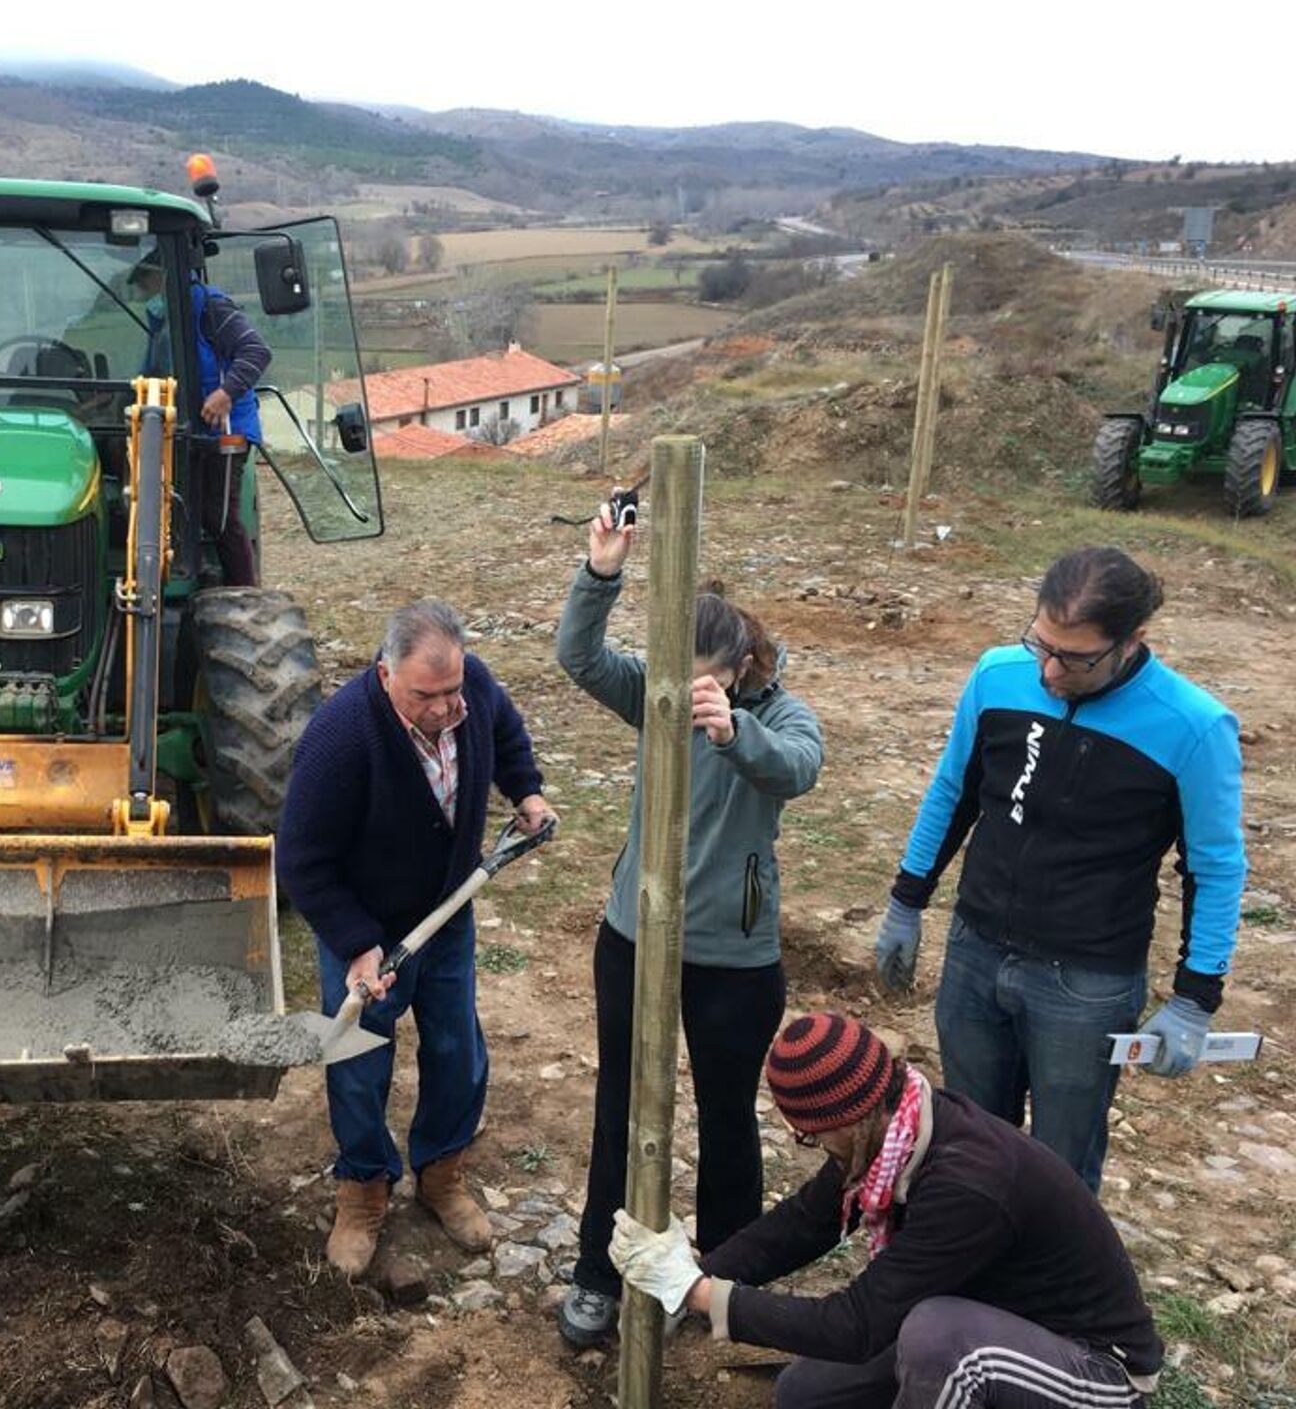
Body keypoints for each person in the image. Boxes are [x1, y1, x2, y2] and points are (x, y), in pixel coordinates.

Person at [873, 545, 1246, 1191]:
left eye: (1074, 658)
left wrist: (1195, 997)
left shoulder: (1193, 726)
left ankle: (1049, 1291)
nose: (1047, 670)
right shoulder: (997, 677)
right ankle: (964, 1280)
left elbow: (1214, 869)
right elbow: (951, 794)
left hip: (1085, 982)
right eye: (1040, 643)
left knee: (1058, 1172)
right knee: (967, 1149)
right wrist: (908, 901)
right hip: (975, 952)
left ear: (1132, 641)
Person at [555, 504, 825, 1348]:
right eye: (677, 676)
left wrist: (735, 731)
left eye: (704, 681)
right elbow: (579, 657)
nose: (684, 694)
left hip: (733, 962)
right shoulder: (655, 688)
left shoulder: (777, 716)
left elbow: (799, 769)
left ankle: (725, 1285)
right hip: (634, 938)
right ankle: (602, 1272)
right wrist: (600, 574)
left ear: (741, 668)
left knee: (725, 1118)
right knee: (621, 1109)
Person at [610, 1012, 1163, 1409]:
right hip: (998, 1320)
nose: (814, 1145)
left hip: (1095, 1371)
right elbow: (808, 1221)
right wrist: (699, 1265)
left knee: (937, 1339)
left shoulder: (969, 1184)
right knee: (805, 1394)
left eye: (810, 1135)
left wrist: (698, 1294)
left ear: (850, 1116)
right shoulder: (891, 1128)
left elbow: (857, 1325)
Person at [276, 598, 554, 1277]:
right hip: (365, 928)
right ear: (385, 673)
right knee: (358, 1060)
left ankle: (441, 1171)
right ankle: (364, 1187)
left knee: (458, 1047)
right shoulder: (341, 737)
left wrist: (528, 794)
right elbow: (301, 859)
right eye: (426, 695)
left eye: (452, 689)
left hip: (447, 914)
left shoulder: (473, 687)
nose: (444, 707)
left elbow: (506, 732)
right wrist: (357, 942)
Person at [129, 250, 268, 587]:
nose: (143, 291)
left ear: (160, 275)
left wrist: (226, 395)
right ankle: (190, 572)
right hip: (180, 429)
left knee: (218, 517)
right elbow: (154, 372)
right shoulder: (163, 320)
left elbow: (256, 352)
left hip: (225, 430)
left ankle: (243, 591)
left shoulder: (211, 308)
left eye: (144, 282)